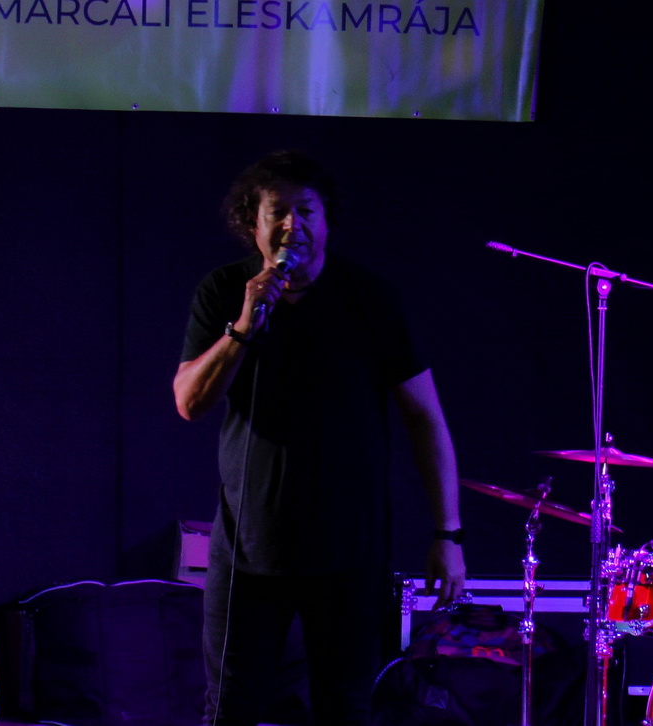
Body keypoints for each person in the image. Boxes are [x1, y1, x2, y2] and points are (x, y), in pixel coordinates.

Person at [173, 150, 466, 725]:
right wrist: (244, 326)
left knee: (345, 710)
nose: (292, 225)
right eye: (277, 212)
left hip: (348, 553)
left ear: (326, 219)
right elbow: (188, 402)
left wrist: (447, 533)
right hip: (249, 549)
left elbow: (425, 419)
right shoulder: (226, 290)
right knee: (229, 710)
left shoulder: (369, 298)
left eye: (305, 211)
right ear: (252, 223)